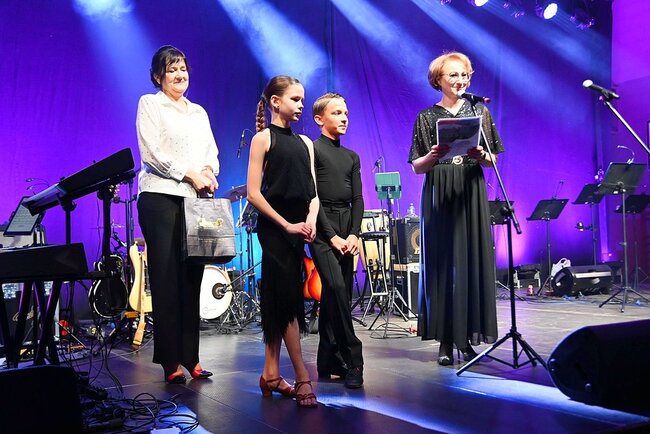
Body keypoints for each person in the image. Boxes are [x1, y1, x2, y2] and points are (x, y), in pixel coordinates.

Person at [408, 52, 503, 366]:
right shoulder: (426, 116)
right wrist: (434, 155)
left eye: (464, 75)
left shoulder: (479, 110)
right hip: (440, 188)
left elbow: (493, 160)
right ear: (438, 80)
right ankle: (446, 340)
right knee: (444, 263)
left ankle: (467, 337)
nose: (460, 80)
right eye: (453, 75)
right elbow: (417, 167)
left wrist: (480, 155)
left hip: (469, 187)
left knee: (470, 261)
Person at [136, 45, 219, 383]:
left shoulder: (198, 112)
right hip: (160, 197)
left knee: (191, 279)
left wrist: (209, 172)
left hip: (193, 201)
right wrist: (189, 174)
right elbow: (152, 153)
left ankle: (191, 356)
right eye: (172, 70)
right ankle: (170, 360)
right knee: (167, 279)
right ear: (159, 76)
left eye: (183, 68)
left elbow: (211, 151)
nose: (179, 74)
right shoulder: (150, 104)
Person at [246, 75, 319, 408]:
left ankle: (271, 374)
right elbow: (254, 193)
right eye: (295, 99)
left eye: (303, 99)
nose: (301, 105)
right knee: (288, 299)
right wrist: (286, 225)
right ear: (275, 102)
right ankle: (302, 375)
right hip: (276, 230)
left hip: (299, 228)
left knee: (278, 298)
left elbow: (313, 193)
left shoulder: (305, 143)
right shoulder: (263, 139)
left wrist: (310, 220)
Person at [308, 93, 364, 388]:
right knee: (336, 288)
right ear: (319, 119)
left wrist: (353, 234)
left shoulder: (352, 157)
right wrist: (331, 236)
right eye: (337, 113)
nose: (344, 118)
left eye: (346, 113)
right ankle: (354, 359)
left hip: (345, 225)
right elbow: (313, 196)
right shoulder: (312, 150)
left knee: (336, 296)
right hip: (321, 226)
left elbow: (358, 199)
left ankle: (328, 360)